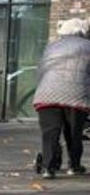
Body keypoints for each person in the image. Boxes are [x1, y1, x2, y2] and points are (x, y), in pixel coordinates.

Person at [32, 18, 90, 179]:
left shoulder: (52, 47)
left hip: (47, 94)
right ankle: (74, 166)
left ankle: (48, 168)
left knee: (50, 133)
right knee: (74, 133)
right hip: (76, 95)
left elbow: (41, 70)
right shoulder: (88, 46)